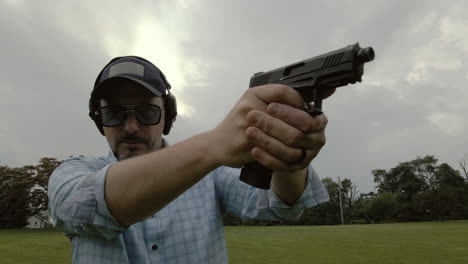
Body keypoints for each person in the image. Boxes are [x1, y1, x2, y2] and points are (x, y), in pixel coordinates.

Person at [48, 56, 330, 263]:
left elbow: (281, 204)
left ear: (167, 116)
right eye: (114, 113)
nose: (131, 126)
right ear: (99, 120)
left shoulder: (209, 174)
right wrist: (214, 143)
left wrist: (286, 150)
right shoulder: (72, 172)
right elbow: (83, 207)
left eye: (146, 112)